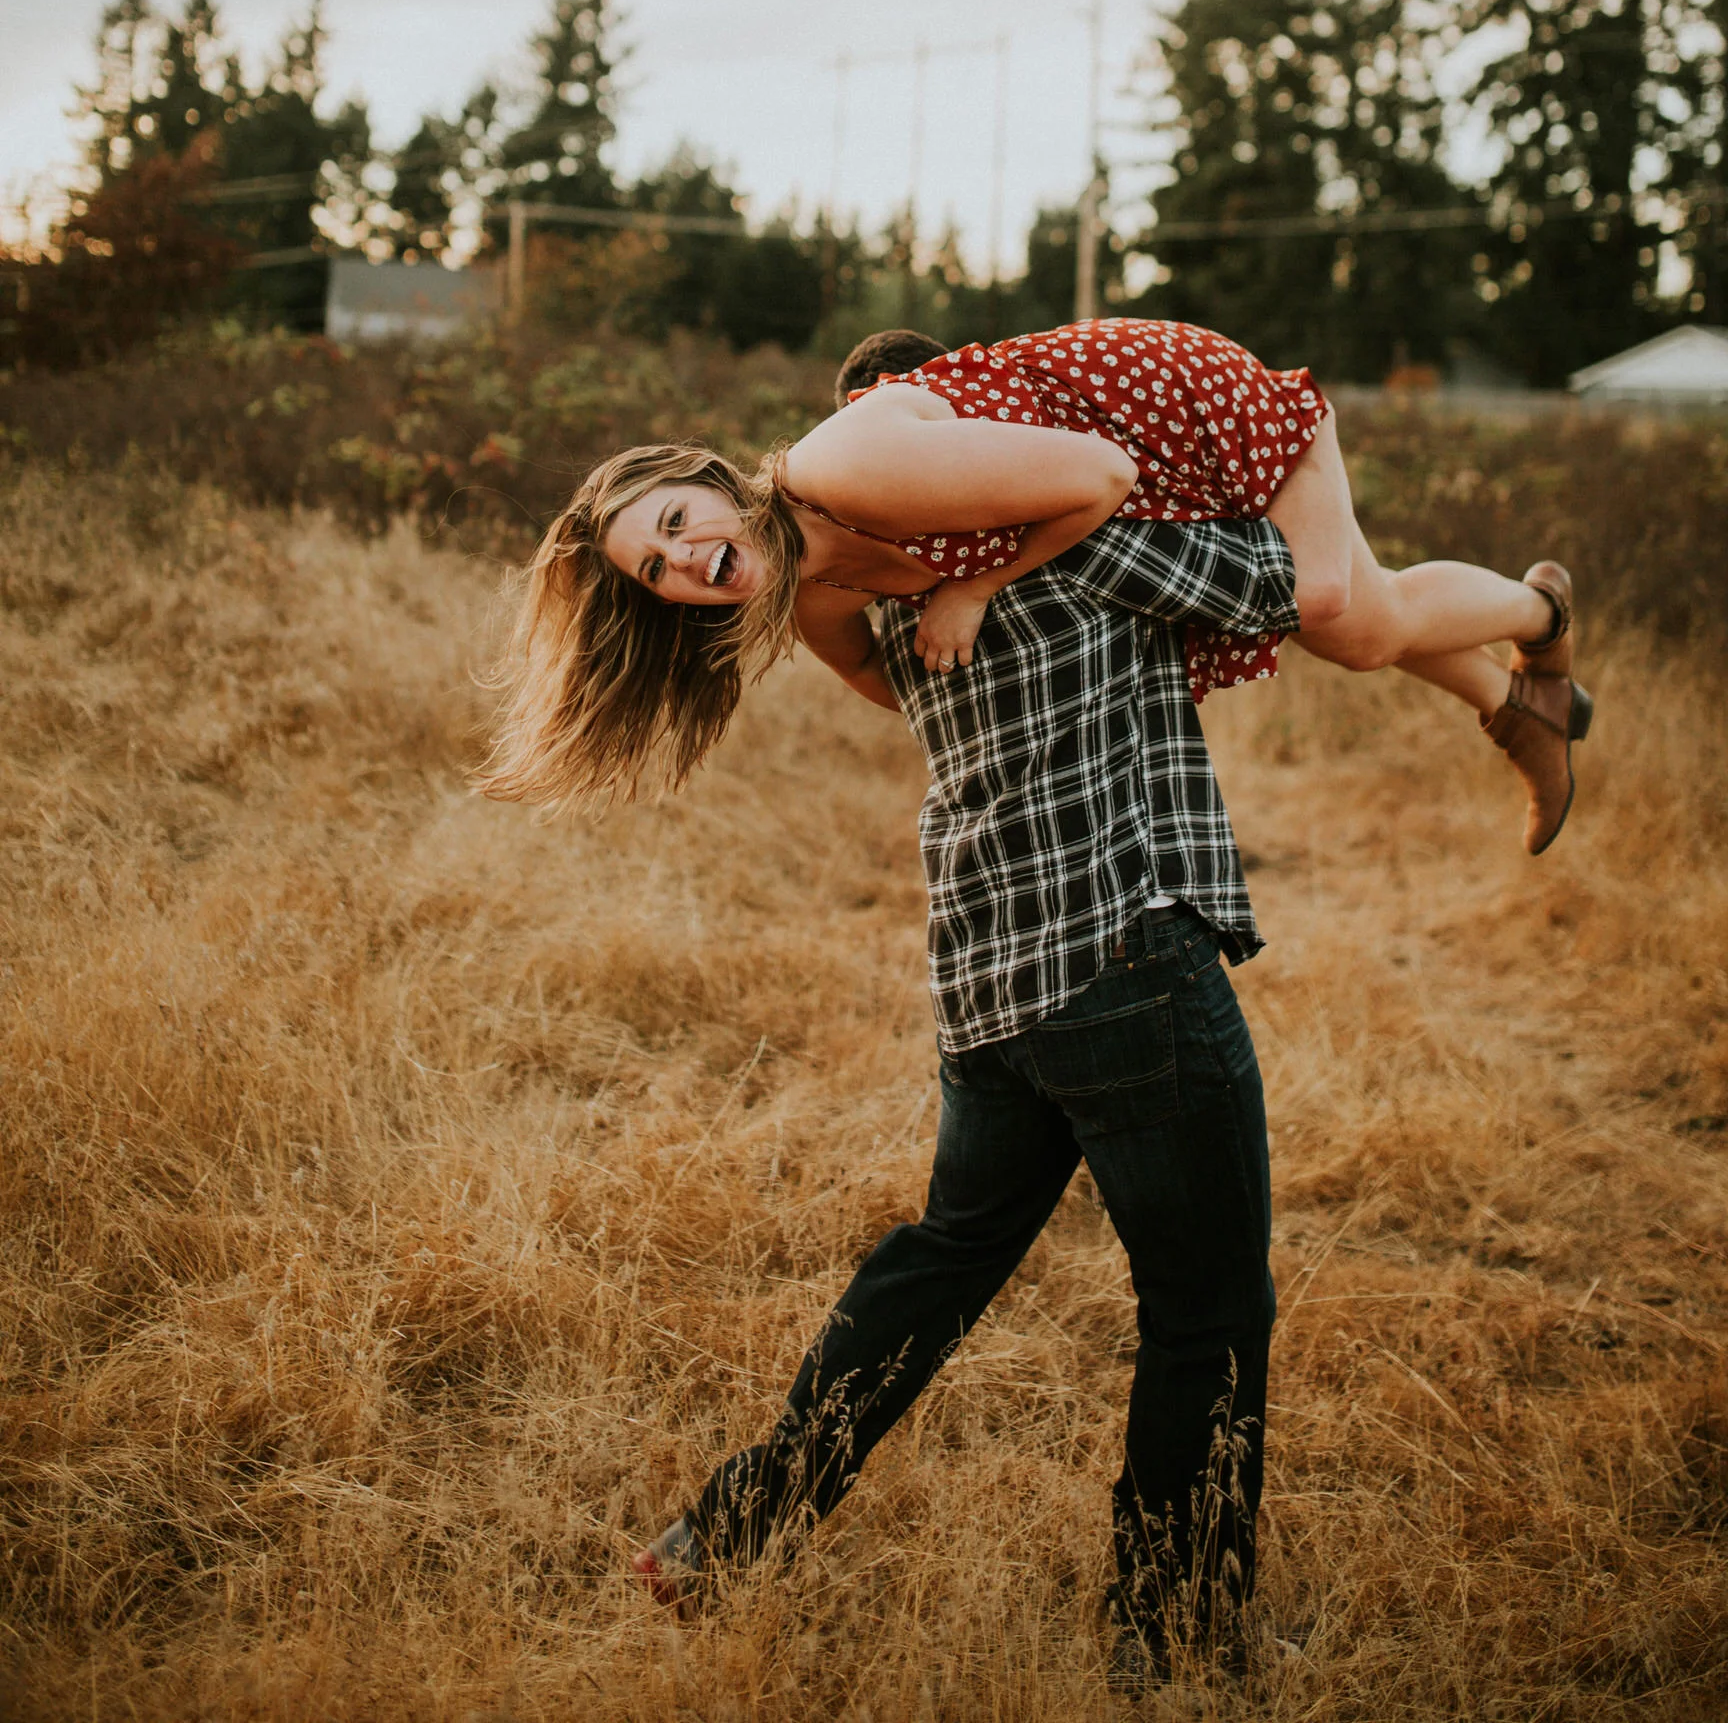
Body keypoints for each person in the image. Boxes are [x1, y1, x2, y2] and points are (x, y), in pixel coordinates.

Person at [622, 436, 1302, 1685]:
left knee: (944, 1258)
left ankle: (732, 1527)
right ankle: (1180, 1635)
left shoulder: (871, 596)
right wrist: (1219, 468)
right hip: (1123, 957)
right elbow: (1276, 585)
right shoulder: (1075, 541)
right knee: (1209, 1307)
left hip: (990, 981)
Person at [480, 319, 1590, 856]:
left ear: (710, 480)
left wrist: (972, 594)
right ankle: (1524, 709)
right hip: (1118, 463)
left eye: (676, 522)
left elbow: (1102, 476)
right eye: (657, 571)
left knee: (1339, 614)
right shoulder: (814, 597)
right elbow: (890, 685)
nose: (684, 558)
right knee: (1360, 606)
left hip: (1170, 409)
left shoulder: (842, 469)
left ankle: (1542, 621)